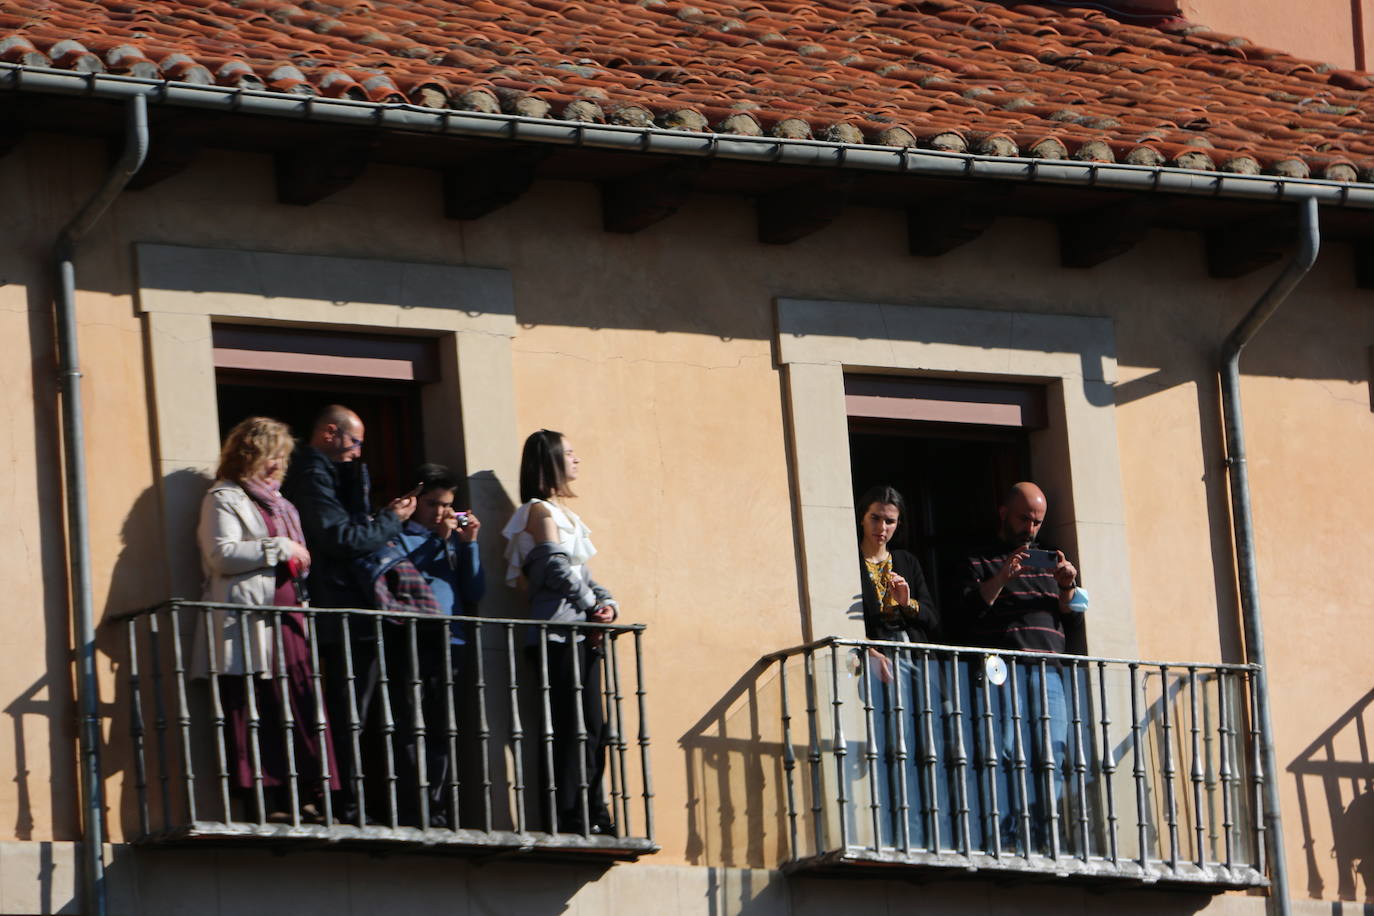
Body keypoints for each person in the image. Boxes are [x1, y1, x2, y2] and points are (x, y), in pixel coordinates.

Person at [191, 416, 338, 822]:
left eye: (282, 457)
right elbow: (220, 555)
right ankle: (267, 800)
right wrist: (278, 546)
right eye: (271, 455)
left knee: (300, 704)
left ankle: (306, 797)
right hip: (251, 621)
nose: (277, 465)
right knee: (260, 707)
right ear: (249, 454)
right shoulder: (223, 497)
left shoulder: (283, 504)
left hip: (289, 616)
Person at [280, 404, 418, 823]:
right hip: (342, 610)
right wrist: (391, 520)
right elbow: (340, 537)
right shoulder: (312, 473)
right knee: (349, 713)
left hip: (351, 611)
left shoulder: (329, 473)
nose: (359, 453)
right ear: (329, 434)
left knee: (358, 711)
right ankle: (346, 803)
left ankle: (356, 801)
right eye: (355, 443)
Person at [955, 481, 1082, 853]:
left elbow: (1072, 622)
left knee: (1051, 752)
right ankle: (1006, 830)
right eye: (1024, 518)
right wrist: (1002, 578)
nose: (1030, 529)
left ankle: (1047, 831)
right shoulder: (978, 560)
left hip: (1048, 671)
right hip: (1001, 669)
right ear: (1003, 513)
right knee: (1005, 749)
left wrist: (1066, 588)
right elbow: (965, 616)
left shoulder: (1052, 561)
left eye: (1037, 522)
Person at [501, 429, 617, 836]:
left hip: (576, 634)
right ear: (549, 461)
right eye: (568, 453)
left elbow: (582, 574)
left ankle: (592, 808)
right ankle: (573, 814)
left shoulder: (558, 514)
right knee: (574, 727)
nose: (576, 460)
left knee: (593, 727)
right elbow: (554, 569)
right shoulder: (539, 512)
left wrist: (608, 604)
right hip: (557, 636)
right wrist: (591, 608)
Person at [855, 484, 948, 851]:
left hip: (913, 660)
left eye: (890, 521)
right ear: (862, 517)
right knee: (886, 742)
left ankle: (925, 825)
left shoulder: (906, 561)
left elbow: (933, 619)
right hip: (876, 659)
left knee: (924, 741)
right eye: (876, 518)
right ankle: (889, 825)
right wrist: (869, 651)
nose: (882, 527)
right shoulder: (851, 560)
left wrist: (908, 604)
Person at [393, 463, 486, 825]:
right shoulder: (399, 535)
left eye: (448, 505)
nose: (442, 513)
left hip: (452, 641)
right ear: (415, 501)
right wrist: (441, 541)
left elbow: (476, 590)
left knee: (442, 726)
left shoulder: (452, 540)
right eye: (434, 504)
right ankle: (414, 805)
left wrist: (470, 545)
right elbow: (405, 575)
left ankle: (438, 804)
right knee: (412, 724)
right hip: (414, 638)